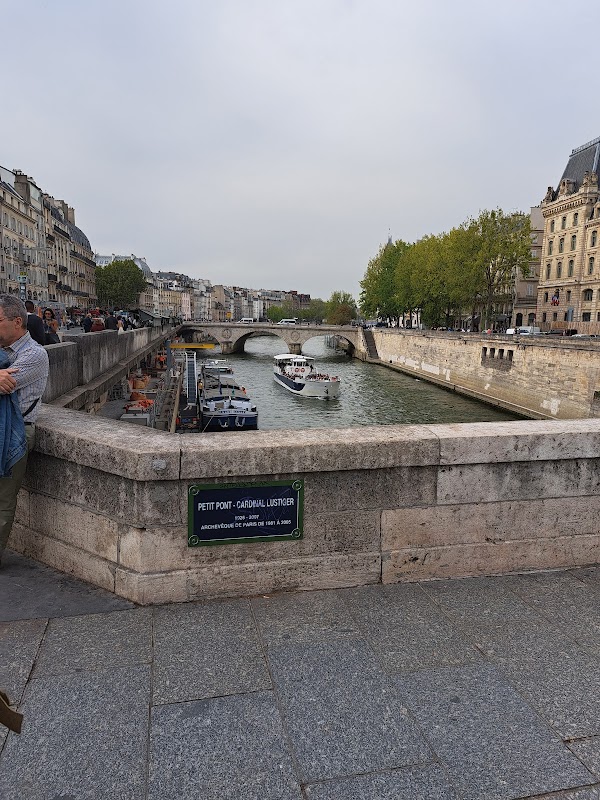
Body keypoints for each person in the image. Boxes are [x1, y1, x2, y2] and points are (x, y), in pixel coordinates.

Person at [0, 295, 49, 565]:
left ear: (17, 321)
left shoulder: (34, 355)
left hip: (15, 433)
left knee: (3, 500)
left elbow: (5, 385)